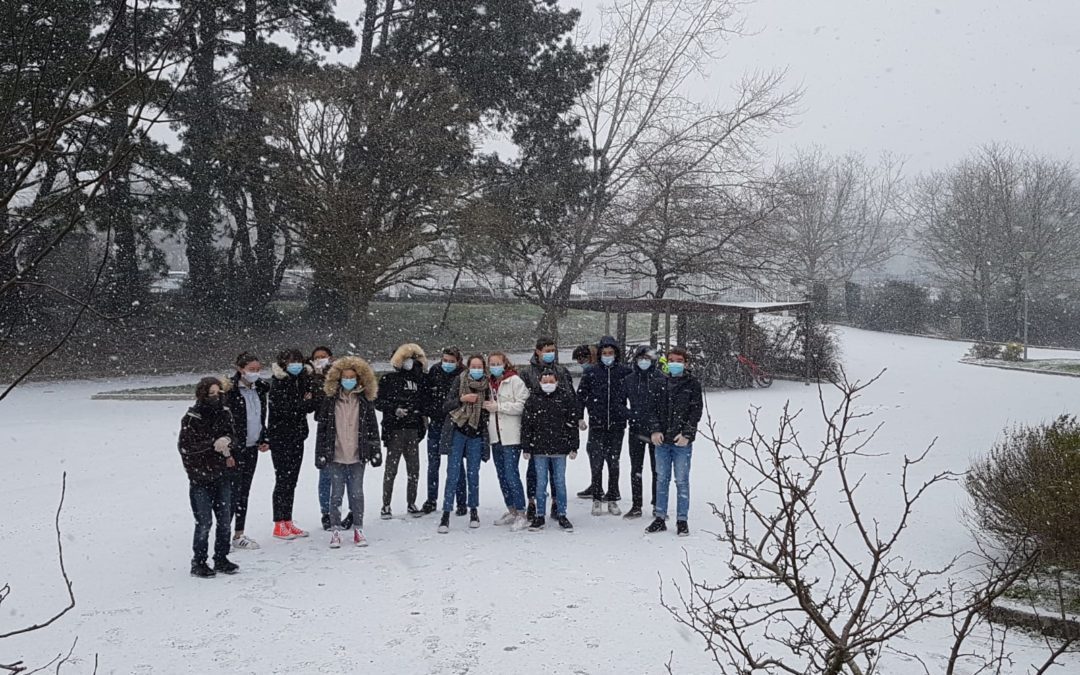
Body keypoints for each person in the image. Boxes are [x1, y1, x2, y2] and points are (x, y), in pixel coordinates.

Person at [315, 356, 382, 549]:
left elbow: (372, 427)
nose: (349, 380)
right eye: (345, 376)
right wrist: (321, 453)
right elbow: (322, 429)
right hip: (336, 454)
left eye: (352, 376)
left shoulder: (364, 401)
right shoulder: (330, 401)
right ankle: (335, 529)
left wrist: (375, 450)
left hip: (357, 454)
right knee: (335, 494)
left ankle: (358, 528)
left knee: (357, 493)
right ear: (338, 378)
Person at [178, 377, 240, 578]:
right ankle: (199, 561)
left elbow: (233, 435)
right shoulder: (192, 418)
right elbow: (186, 448)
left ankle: (221, 557)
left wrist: (228, 440)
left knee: (224, 520)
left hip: (222, 474)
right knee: (204, 522)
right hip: (201, 478)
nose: (216, 397)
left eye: (218, 393)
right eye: (211, 394)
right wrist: (212, 444)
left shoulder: (225, 413)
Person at [519, 337, 582, 520]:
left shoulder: (561, 371)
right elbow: (524, 401)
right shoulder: (527, 372)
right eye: (546, 350)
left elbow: (570, 396)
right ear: (537, 351)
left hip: (558, 432)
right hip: (537, 433)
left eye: (552, 350)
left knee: (557, 475)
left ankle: (556, 504)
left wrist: (575, 419)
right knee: (535, 473)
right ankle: (533, 503)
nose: (550, 354)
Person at [646, 347, 703, 537]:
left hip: (681, 442)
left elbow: (695, 412)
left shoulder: (692, 384)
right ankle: (660, 517)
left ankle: (682, 520)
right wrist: (654, 430)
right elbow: (651, 408)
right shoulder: (658, 382)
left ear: (686, 363)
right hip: (662, 441)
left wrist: (687, 434)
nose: (675, 364)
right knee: (661, 479)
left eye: (679, 360)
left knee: (682, 481)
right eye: (671, 360)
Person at [577, 335, 631, 516]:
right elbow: (581, 396)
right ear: (600, 354)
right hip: (597, 424)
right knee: (596, 461)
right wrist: (580, 416)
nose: (608, 355)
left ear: (616, 353)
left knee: (613, 461)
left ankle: (613, 497)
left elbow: (634, 396)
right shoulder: (591, 372)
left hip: (617, 424)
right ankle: (597, 497)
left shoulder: (624, 371)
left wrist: (630, 414)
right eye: (605, 353)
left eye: (611, 352)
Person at [437, 354, 491, 533]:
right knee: (452, 473)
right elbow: (446, 406)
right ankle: (446, 513)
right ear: (468, 367)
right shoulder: (459, 381)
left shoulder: (487, 385)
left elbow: (490, 409)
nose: (476, 369)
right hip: (457, 431)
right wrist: (463, 399)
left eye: (479, 367)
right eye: (473, 366)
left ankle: (473, 510)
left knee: (473, 474)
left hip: (476, 433)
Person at [268, 348, 318, 540]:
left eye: (298, 360)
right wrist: (302, 404)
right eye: (291, 361)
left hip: (298, 436)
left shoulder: (303, 380)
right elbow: (286, 409)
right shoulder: (278, 383)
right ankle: (278, 523)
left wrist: (304, 403)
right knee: (282, 479)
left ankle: (288, 520)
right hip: (280, 437)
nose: (295, 365)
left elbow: (310, 404)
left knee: (292, 481)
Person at [375, 343, 427, 518]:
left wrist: (420, 417)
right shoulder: (388, 379)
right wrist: (394, 409)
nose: (409, 362)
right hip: (395, 429)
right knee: (391, 469)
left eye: (411, 359)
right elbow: (378, 401)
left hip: (413, 429)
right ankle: (386, 504)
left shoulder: (418, 379)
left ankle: (411, 503)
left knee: (414, 469)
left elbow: (422, 401)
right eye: (405, 359)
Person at [224, 352, 270, 551]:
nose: (255, 373)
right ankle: (223, 534)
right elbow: (226, 421)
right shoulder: (230, 391)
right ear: (240, 369)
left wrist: (263, 437)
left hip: (252, 447)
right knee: (230, 492)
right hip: (235, 448)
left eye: (258, 370)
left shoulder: (260, 388)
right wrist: (229, 449)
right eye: (251, 370)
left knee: (244, 491)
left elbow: (260, 416)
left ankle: (238, 533)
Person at [483, 352, 530, 531]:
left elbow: (522, 405)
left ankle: (521, 512)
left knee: (511, 474)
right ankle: (510, 508)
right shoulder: (489, 383)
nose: (494, 366)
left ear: (505, 363)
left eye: (497, 363)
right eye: (491, 364)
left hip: (511, 436)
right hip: (496, 436)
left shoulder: (515, 381)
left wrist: (500, 407)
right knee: (501, 474)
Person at [418, 347, 467, 517]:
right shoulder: (434, 371)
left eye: (451, 361)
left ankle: (461, 501)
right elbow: (425, 396)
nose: (447, 363)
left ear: (458, 361)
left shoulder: (463, 375)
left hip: (456, 424)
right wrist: (432, 412)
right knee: (433, 463)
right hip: (437, 423)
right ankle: (431, 499)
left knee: (457, 464)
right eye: (445, 360)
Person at [310, 346, 354, 531]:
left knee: (351, 475)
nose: (321, 360)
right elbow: (314, 407)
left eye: (324, 357)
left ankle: (353, 511)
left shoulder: (341, 375)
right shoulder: (312, 379)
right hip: (327, 432)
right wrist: (315, 380)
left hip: (348, 428)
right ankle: (326, 513)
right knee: (326, 475)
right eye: (317, 357)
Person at [624, 345, 666, 519]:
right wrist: (630, 414)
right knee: (636, 468)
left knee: (658, 469)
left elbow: (664, 406)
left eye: (647, 359)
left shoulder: (660, 379)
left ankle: (658, 504)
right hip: (635, 429)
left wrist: (658, 426)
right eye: (640, 359)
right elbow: (620, 403)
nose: (643, 362)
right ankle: (636, 505)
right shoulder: (629, 379)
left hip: (656, 431)